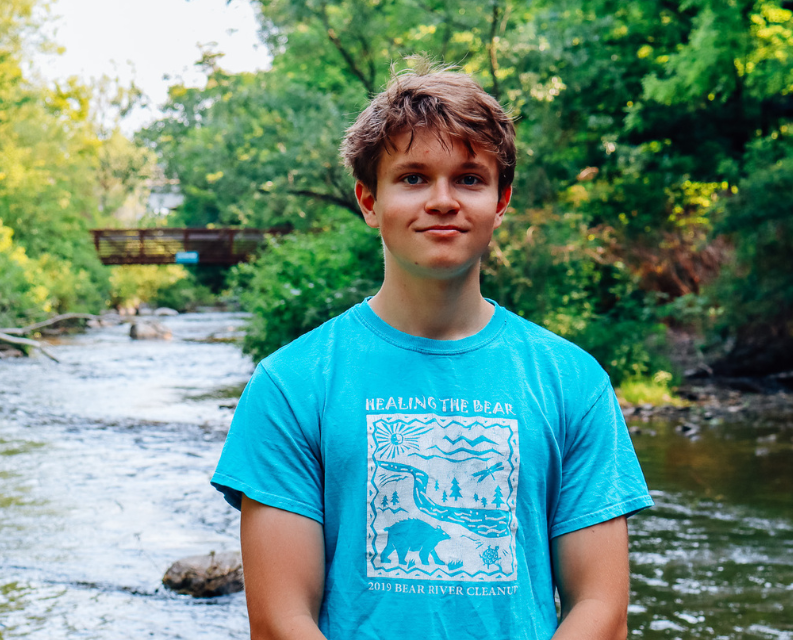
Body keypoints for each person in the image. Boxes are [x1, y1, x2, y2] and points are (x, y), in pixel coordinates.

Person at [210, 63, 653, 640]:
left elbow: (601, 609)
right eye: (414, 178)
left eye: (469, 179)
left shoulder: (572, 381)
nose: (443, 200)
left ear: (501, 201)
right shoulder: (291, 385)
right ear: (370, 201)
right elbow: (279, 621)